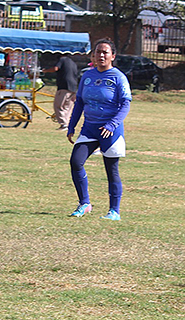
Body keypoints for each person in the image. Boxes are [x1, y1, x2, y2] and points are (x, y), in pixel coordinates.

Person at [66, 38, 132, 221]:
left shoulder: (118, 77)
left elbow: (126, 104)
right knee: (75, 161)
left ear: (113, 56)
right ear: (92, 56)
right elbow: (79, 102)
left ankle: (114, 211)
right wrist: (71, 126)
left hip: (110, 131)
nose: (101, 55)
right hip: (89, 129)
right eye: (98, 52)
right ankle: (84, 203)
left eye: (105, 52)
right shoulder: (87, 76)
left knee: (111, 170)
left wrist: (112, 125)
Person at [43, 55, 79, 130]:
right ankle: (67, 123)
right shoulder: (73, 63)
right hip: (73, 87)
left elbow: (56, 68)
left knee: (58, 105)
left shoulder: (62, 59)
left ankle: (63, 124)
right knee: (67, 107)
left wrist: (45, 70)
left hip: (64, 86)